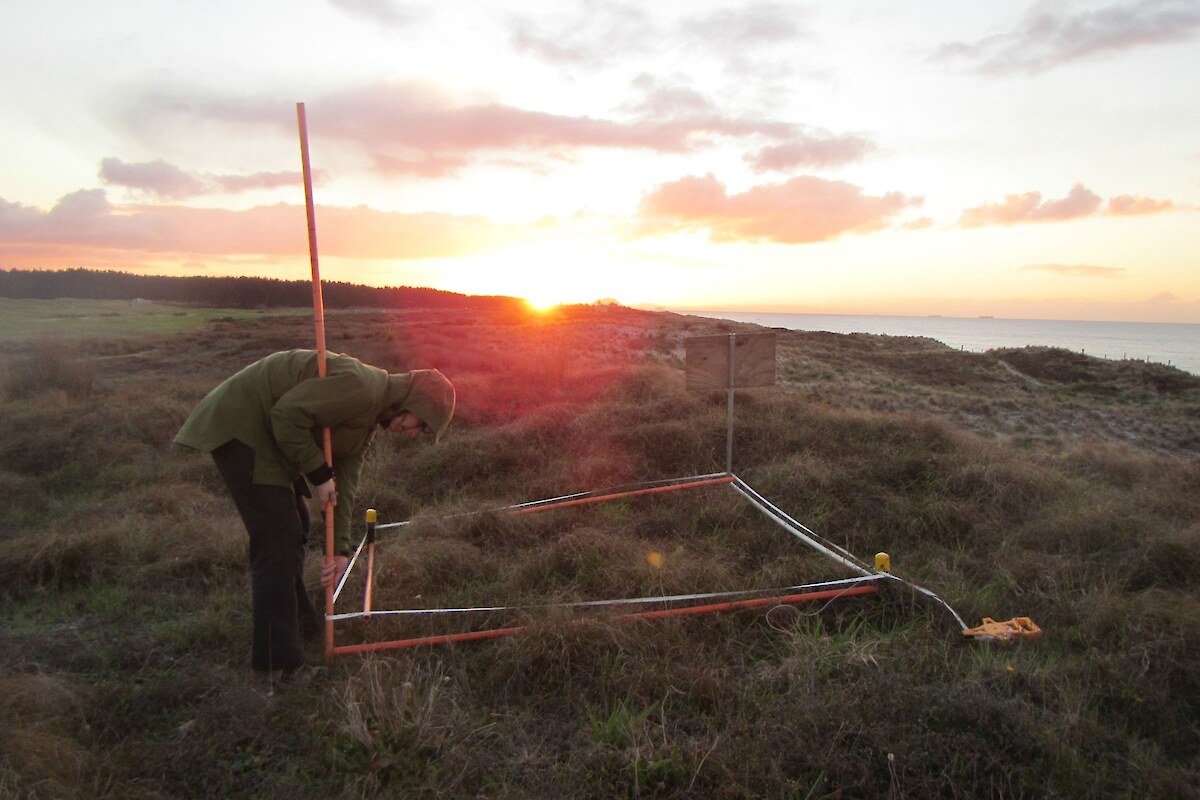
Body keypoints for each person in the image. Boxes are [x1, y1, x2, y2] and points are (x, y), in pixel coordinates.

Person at [174, 349, 455, 678]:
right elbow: (285, 416)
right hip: (243, 424)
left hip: (268, 437)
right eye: (419, 425)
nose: (412, 433)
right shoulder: (361, 388)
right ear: (412, 403)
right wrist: (319, 475)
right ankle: (277, 664)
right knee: (278, 537)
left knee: (297, 525)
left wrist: (338, 550)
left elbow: (345, 484)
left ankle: (303, 625)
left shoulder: (366, 422)